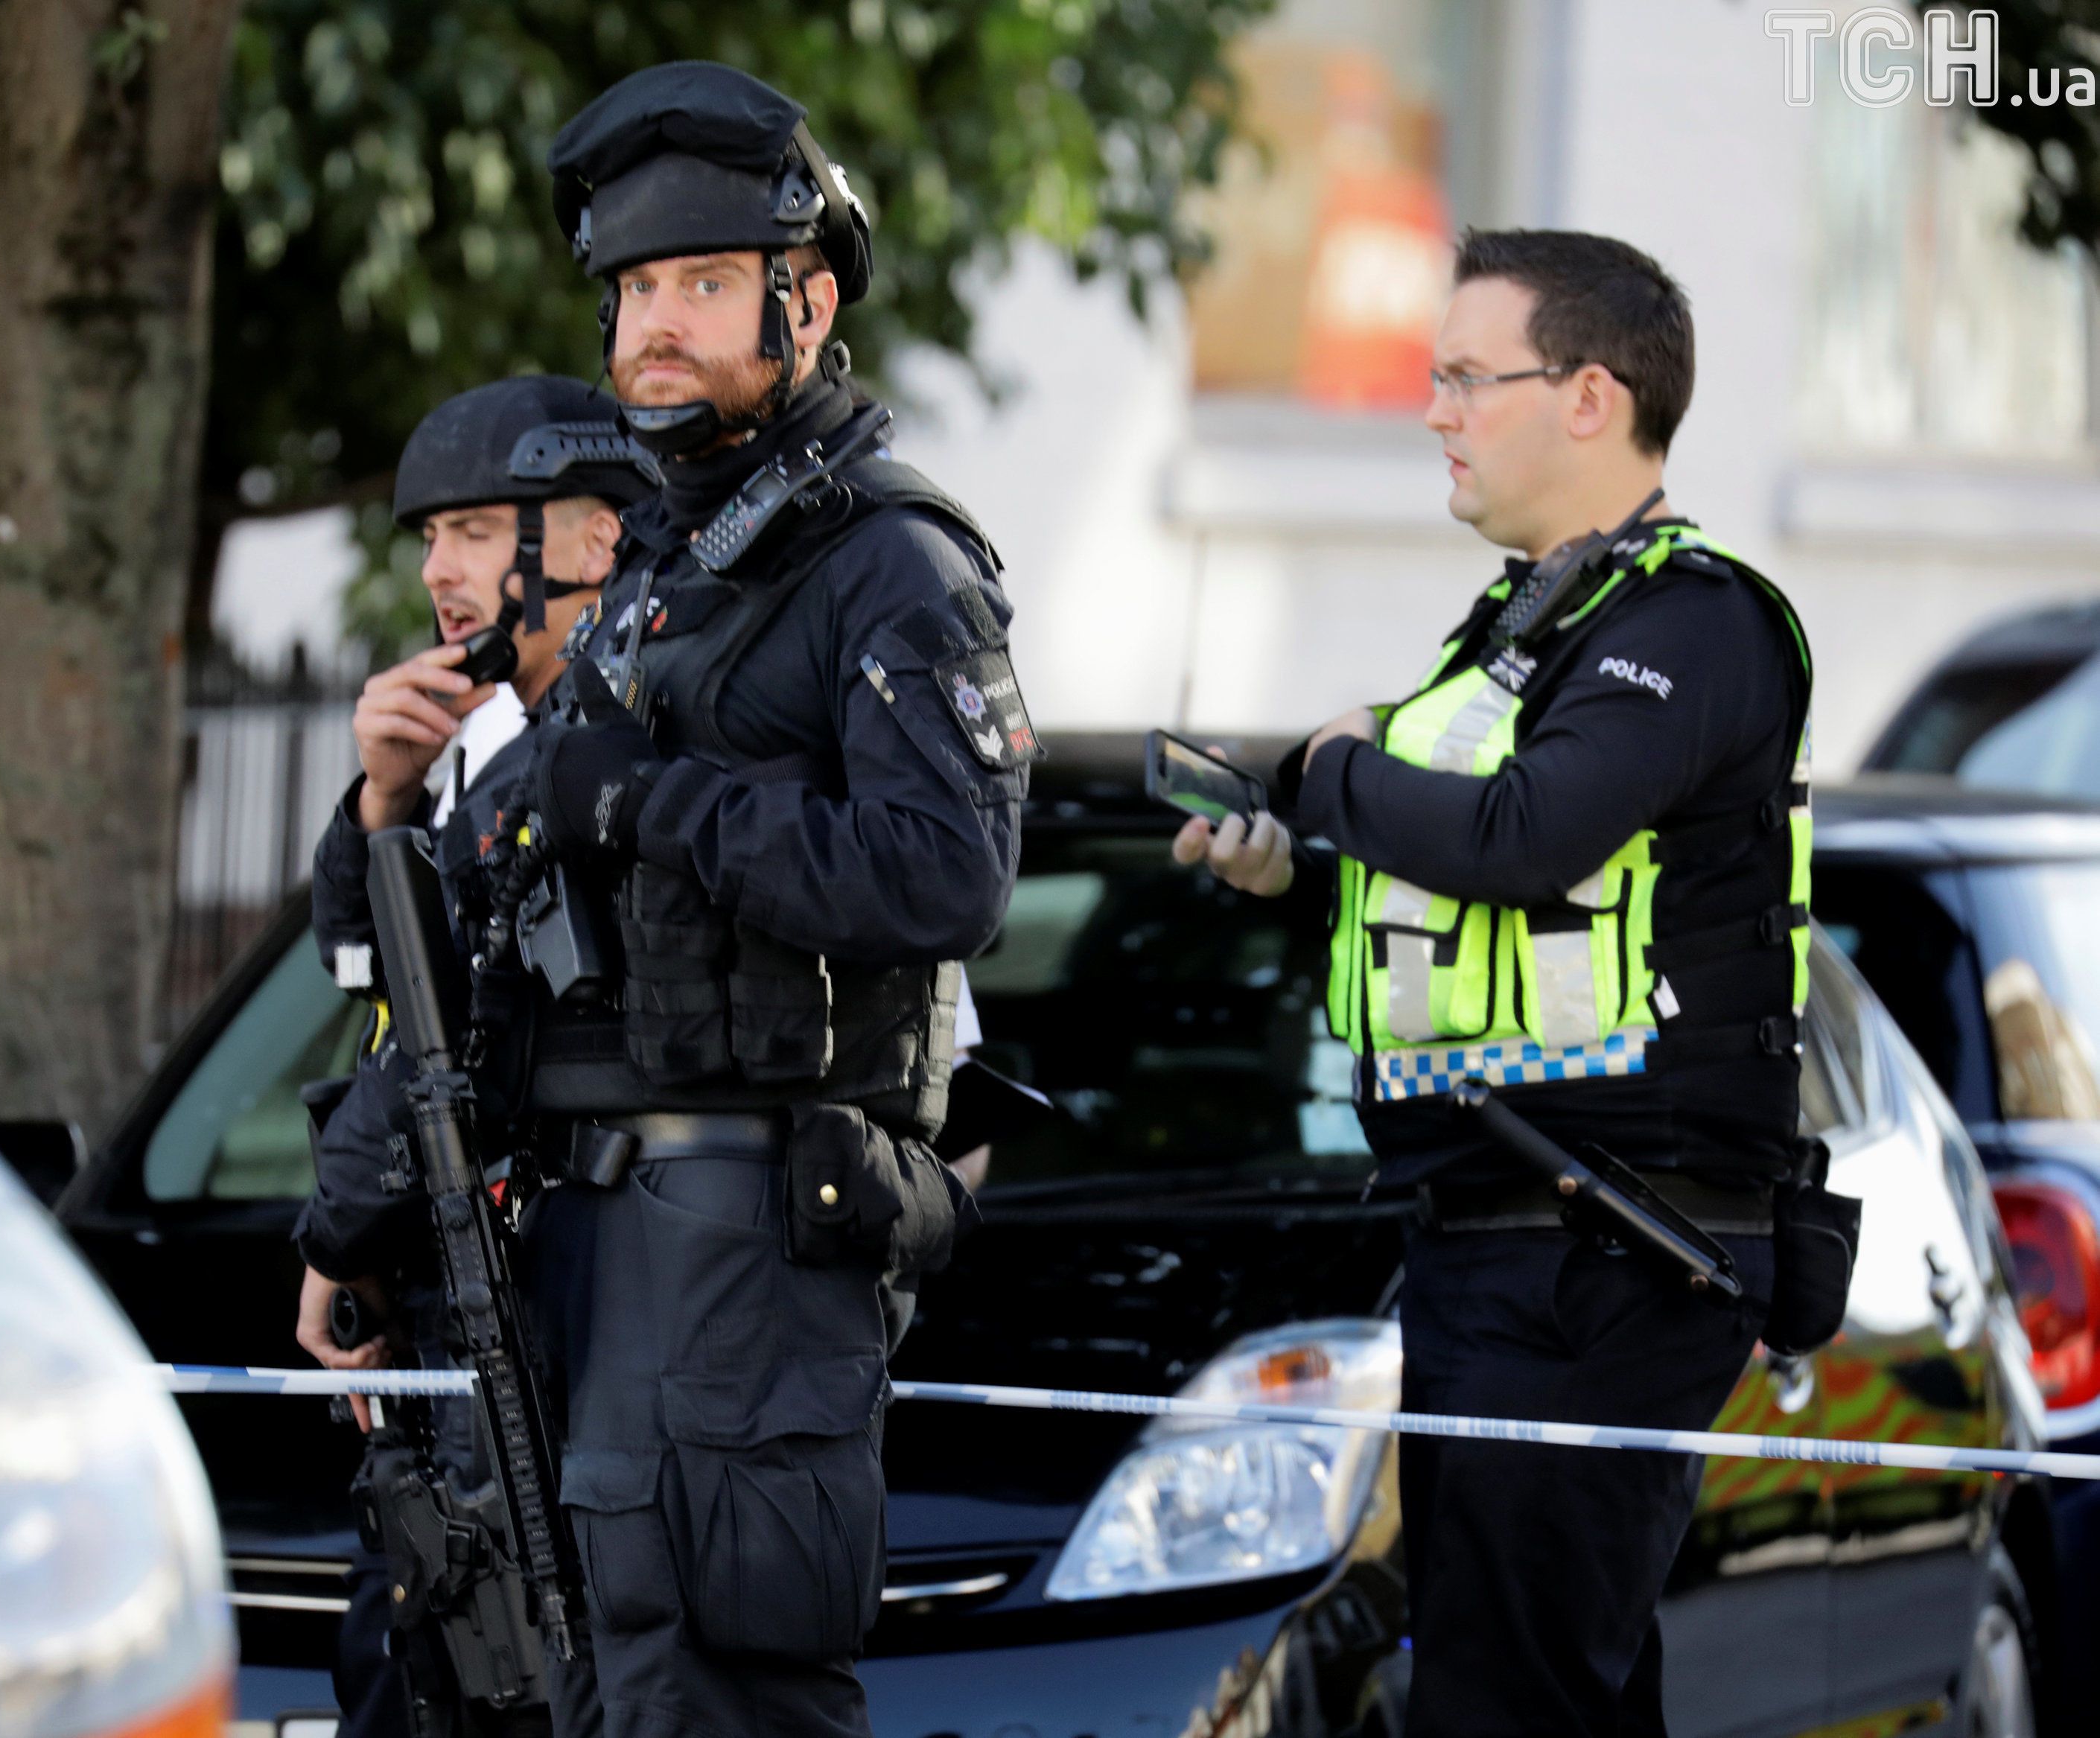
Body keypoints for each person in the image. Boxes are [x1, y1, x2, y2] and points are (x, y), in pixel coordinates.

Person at [1174, 229, 1811, 1737]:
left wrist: (1331, 773)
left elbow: (1527, 840)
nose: (1434, 412)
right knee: (1548, 1694)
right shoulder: (1534, 621)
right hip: (1503, 1234)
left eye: (1467, 377)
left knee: (1505, 1703)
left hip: (1613, 1247)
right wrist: (1296, 857)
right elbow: (1491, 898)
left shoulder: (1695, 622)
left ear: (1590, 396)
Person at [483, 60, 1031, 1738]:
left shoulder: (890, 563)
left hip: (749, 1224)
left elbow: (948, 872)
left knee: (711, 1691)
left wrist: (658, 800)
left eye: (707, 283)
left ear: (808, 305)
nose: (658, 322)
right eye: (637, 287)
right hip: (595, 1217)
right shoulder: (664, 562)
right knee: (600, 1679)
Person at [289, 373, 656, 1738]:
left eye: (472, 531)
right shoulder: (484, 737)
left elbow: (460, 1035)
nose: (437, 571)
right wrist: (380, 802)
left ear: (594, 541)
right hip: (459, 1307)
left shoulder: (597, 747)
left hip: (555, 1329)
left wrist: (337, 1235)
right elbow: (366, 975)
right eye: (429, 537)